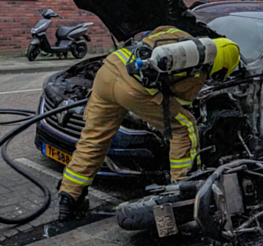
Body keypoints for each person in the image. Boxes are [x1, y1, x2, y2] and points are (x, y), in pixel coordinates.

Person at [57, 26, 240, 220]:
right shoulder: (198, 69)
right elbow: (182, 102)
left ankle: (69, 197)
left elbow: (152, 33)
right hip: (132, 89)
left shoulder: (181, 35)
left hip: (109, 69)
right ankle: (183, 189)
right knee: (184, 127)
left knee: (94, 138)